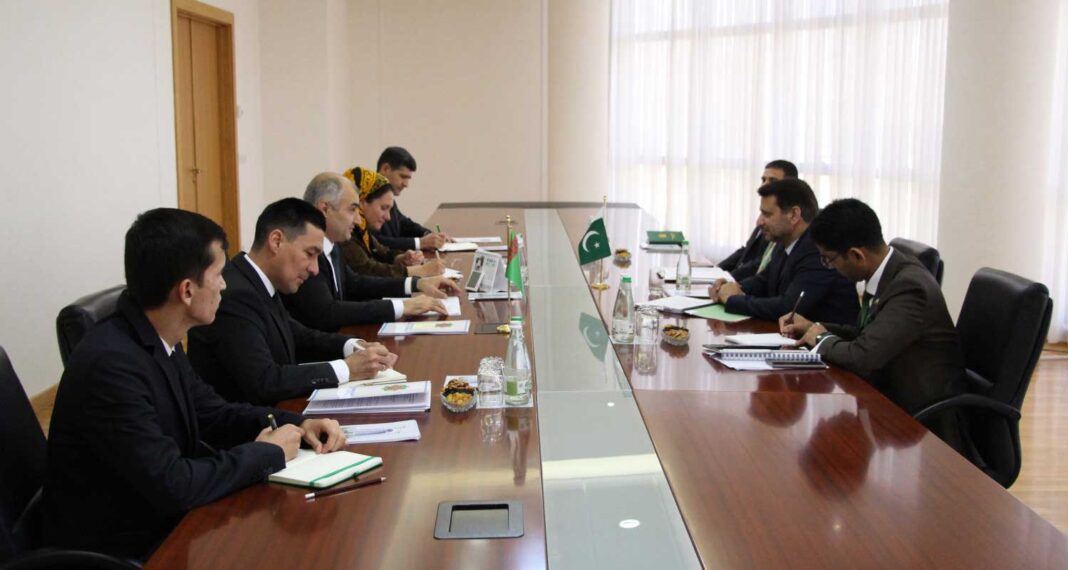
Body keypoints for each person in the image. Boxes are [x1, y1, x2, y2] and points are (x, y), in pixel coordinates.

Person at [43, 208, 345, 560]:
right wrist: (267, 452)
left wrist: (297, 424)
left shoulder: (157, 338)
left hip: (164, 524)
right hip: (124, 550)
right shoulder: (112, 365)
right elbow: (173, 484)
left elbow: (213, 413)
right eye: (217, 275)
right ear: (187, 291)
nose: (224, 285)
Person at [779, 198, 965, 449]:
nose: (829, 267)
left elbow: (863, 357)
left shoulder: (910, 287)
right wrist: (815, 326)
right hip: (886, 399)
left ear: (856, 255)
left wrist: (820, 338)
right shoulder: (886, 273)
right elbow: (867, 334)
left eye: (829, 259)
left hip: (918, 425)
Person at [188, 198, 399, 405]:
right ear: (276, 241)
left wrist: (352, 346)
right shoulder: (235, 295)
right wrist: (347, 369)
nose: (314, 269)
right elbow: (265, 381)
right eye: (310, 254)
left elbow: (296, 334)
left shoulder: (257, 280)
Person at [284, 172, 461, 332]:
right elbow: (328, 312)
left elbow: (355, 283)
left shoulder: (332, 244)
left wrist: (416, 283)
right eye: (352, 209)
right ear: (325, 209)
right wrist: (401, 306)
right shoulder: (308, 255)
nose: (358, 219)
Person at [709, 179, 859, 325]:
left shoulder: (817, 249)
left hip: (826, 339)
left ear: (794, 215)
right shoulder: (785, 241)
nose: (759, 222)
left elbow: (788, 307)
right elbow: (764, 280)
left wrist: (733, 300)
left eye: (767, 214)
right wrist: (730, 288)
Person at [339, 166, 446, 278]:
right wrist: (418, 270)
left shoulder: (362, 229)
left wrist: (402, 258)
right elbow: (368, 270)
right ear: (362, 202)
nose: (388, 217)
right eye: (383, 208)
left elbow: (383, 252)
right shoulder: (345, 232)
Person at [718, 160, 799, 281]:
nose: (764, 185)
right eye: (763, 180)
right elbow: (746, 250)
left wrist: (729, 278)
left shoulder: (785, 222)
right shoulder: (765, 214)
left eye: (772, 181)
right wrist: (717, 270)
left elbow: (762, 262)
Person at [373, 146, 452, 250]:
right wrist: (420, 243)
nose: (406, 184)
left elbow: (404, 224)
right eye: (402, 177)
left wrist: (429, 235)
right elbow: (374, 242)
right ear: (385, 169)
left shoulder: (386, 195)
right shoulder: (367, 197)